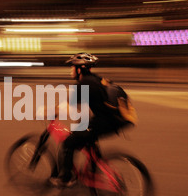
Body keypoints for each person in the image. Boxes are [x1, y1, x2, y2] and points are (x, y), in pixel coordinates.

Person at [49, 52, 131, 188]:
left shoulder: (84, 84)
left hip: (107, 121)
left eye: (72, 67)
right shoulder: (95, 79)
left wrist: (47, 112)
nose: (71, 70)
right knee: (85, 135)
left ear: (79, 69)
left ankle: (66, 178)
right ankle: (92, 170)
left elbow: (67, 107)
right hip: (114, 119)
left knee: (69, 142)